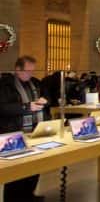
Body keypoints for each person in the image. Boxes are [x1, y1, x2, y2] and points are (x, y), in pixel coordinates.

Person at [0, 56, 47, 202]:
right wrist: (26, 107)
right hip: (13, 131)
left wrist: (44, 101)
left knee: (34, 166)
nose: (30, 74)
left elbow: (46, 96)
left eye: (33, 71)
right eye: (28, 71)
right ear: (18, 69)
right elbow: (3, 108)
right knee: (16, 170)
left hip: (33, 131)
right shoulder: (5, 85)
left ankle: (29, 195)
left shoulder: (34, 83)